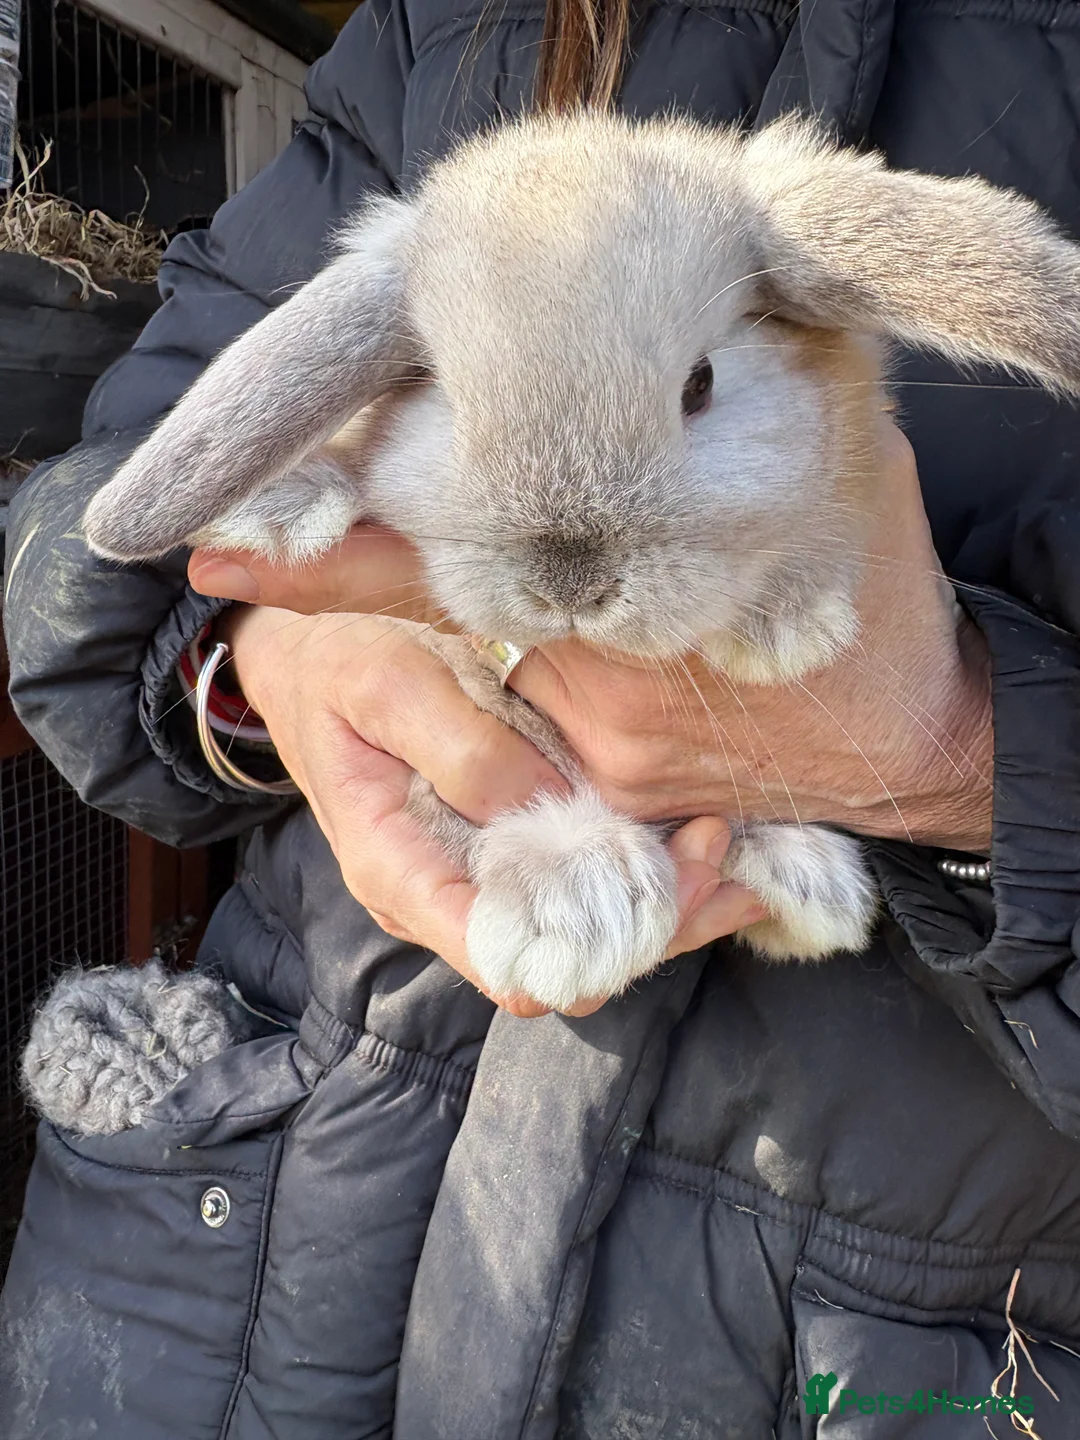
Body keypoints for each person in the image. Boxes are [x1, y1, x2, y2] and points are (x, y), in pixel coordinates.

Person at [3, 0, 1080, 1434]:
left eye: (701, 385)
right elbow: (108, 518)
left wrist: (957, 761)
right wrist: (261, 652)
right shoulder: (438, 28)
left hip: (893, 1336)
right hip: (247, 1255)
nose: (580, 575)